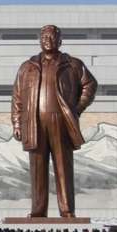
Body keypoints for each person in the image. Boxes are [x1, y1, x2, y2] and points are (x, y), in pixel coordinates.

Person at [10, 24, 98, 218]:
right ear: (39, 41)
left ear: (60, 40)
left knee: (63, 166)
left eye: (51, 37)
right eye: (44, 38)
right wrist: (17, 123)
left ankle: (66, 210)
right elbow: (17, 97)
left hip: (61, 120)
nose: (47, 41)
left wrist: (77, 108)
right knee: (37, 168)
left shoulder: (73, 64)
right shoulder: (27, 67)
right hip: (34, 122)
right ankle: (38, 210)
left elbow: (90, 85)